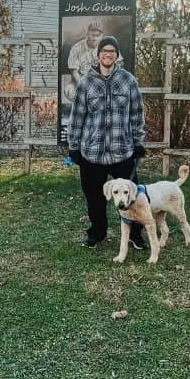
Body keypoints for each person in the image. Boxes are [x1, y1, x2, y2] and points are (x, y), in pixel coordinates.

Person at [67, 35, 148, 250]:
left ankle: (135, 234)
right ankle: (97, 232)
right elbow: (77, 117)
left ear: (117, 55)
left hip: (122, 151)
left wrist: (139, 142)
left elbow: (137, 113)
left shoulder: (128, 81)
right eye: (105, 51)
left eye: (112, 51)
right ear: (99, 54)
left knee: (132, 196)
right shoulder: (86, 83)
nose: (108, 54)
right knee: (94, 197)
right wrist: (73, 147)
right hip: (91, 152)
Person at [63, 22, 103, 106]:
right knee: (69, 91)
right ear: (88, 33)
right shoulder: (76, 48)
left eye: (98, 36)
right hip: (81, 80)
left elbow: (116, 65)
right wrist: (84, 87)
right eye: (93, 35)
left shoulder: (105, 47)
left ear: (101, 36)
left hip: (99, 80)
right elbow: (74, 72)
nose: (95, 38)